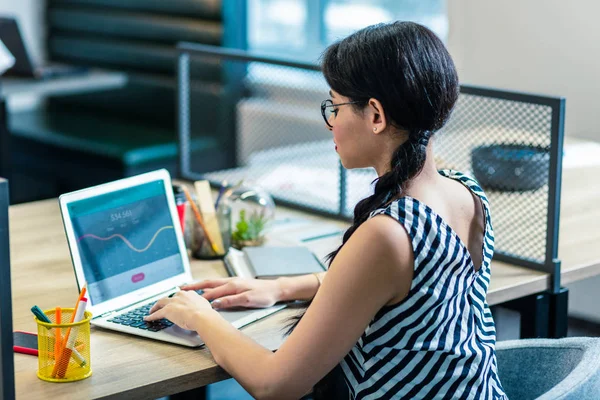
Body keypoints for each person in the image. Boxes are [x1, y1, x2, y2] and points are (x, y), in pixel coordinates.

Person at [145, 21, 508, 400]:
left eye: (334, 107)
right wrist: (280, 287)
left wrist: (200, 316)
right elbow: (399, 289)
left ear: (376, 116)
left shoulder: (390, 233)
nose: (330, 123)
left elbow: (276, 384)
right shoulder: (464, 191)